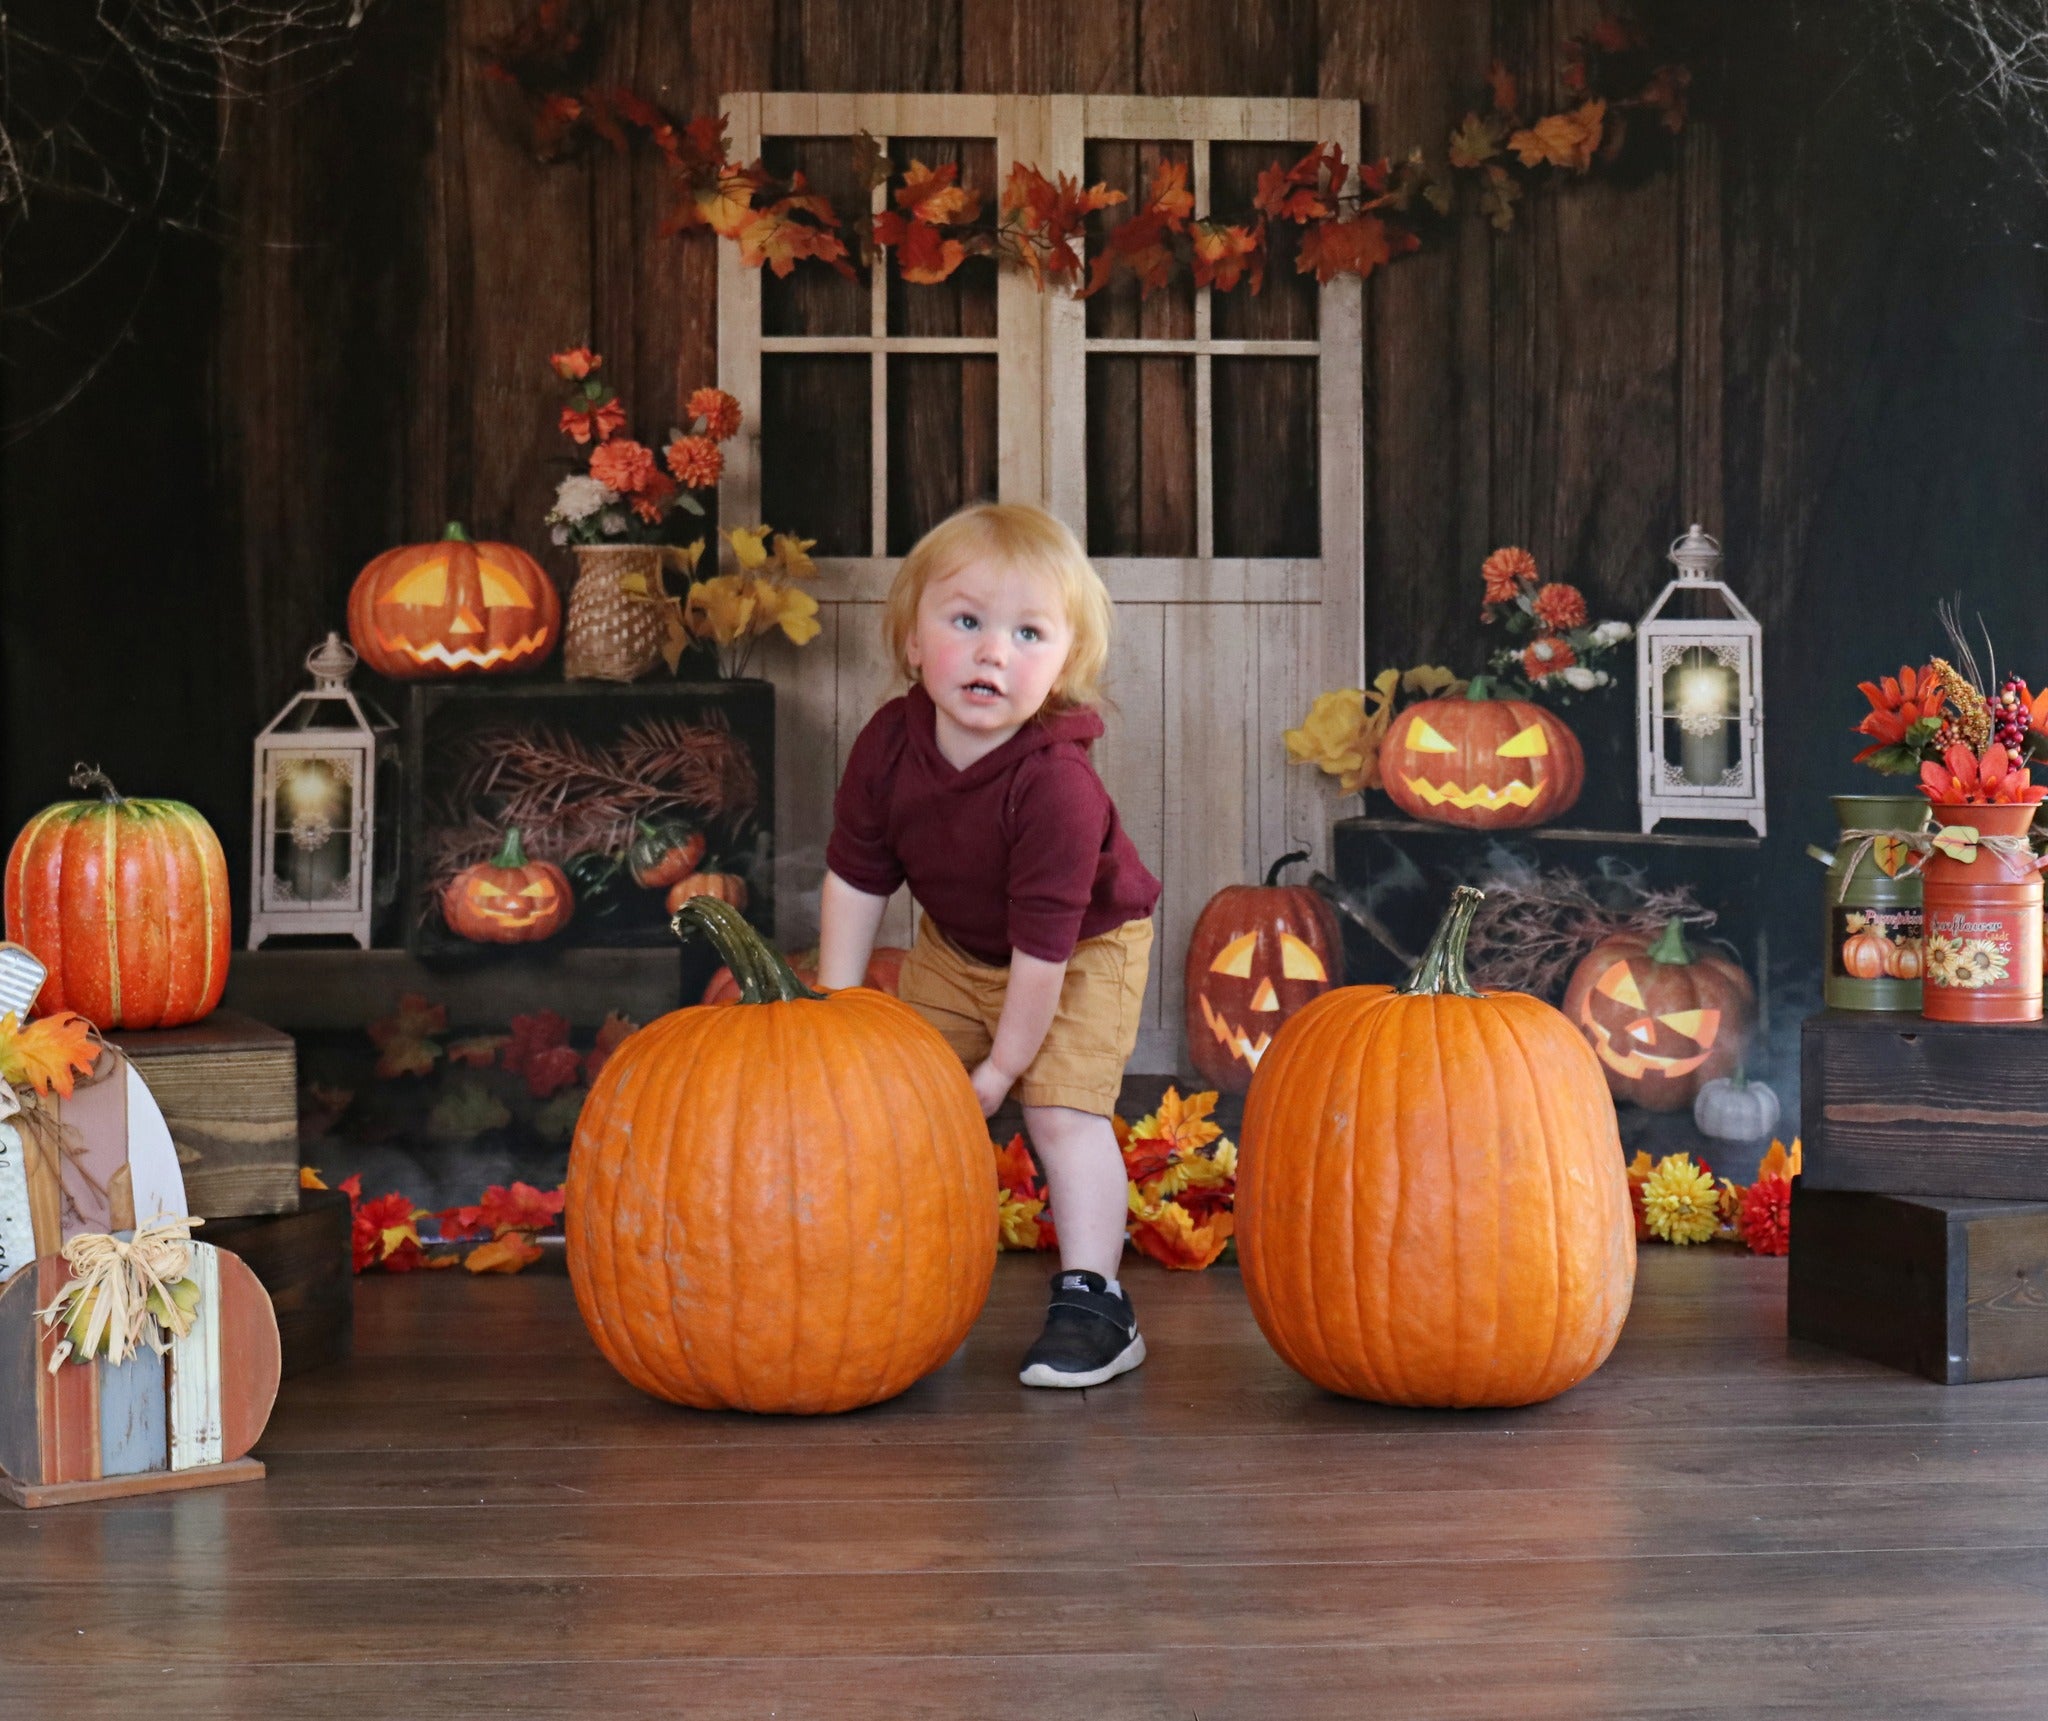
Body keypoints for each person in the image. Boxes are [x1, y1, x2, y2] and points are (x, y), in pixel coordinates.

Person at [818, 502, 1162, 1389]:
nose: (992, 652)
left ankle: (1096, 1302)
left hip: (1081, 952)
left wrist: (1002, 1070)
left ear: (1063, 669)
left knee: (1059, 1113)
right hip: (960, 946)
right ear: (911, 642)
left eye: (1028, 633)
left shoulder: (1056, 788)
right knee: (917, 1106)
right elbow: (857, 876)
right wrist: (836, 1009)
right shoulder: (889, 745)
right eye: (965, 621)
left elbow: (1045, 950)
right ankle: (917, 1276)